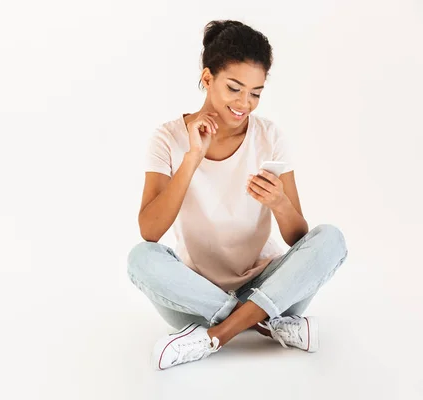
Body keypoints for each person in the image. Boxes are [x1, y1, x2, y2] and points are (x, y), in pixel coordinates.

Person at [126, 20, 348, 371]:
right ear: (207, 78)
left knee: (332, 239)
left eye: (256, 93)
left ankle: (216, 334)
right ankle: (264, 322)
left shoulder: (270, 136)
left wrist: (279, 203)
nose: (245, 103)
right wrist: (192, 159)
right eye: (234, 88)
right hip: (194, 293)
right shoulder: (167, 138)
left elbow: (298, 239)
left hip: (268, 283)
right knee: (141, 259)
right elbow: (150, 231)